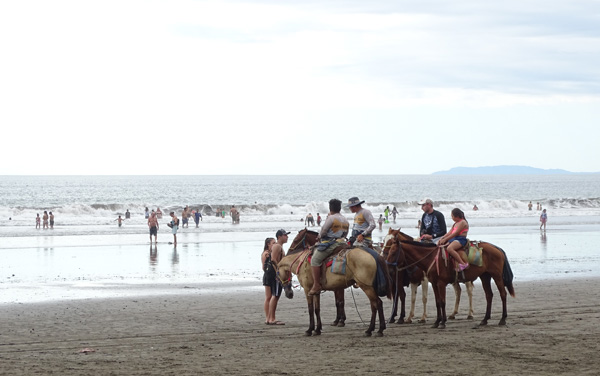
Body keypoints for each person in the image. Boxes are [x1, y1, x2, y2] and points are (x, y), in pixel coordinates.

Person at [308, 199, 349, 295]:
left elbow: (323, 231)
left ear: (330, 208)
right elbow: (345, 234)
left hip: (331, 244)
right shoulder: (345, 219)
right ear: (339, 208)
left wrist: (319, 237)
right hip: (342, 243)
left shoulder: (331, 218)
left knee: (315, 260)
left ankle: (317, 284)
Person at [266, 229, 289, 325]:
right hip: (275, 275)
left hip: (276, 274)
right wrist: (278, 272)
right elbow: (273, 259)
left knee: (275, 296)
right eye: (285, 235)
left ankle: (270, 318)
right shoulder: (277, 246)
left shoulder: (279, 246)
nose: (287, 237)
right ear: (279, 237)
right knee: (275, 296)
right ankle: (271, 319)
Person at [261, 237, 276, 323]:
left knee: (271, 296)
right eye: (273, 243)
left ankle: (270, 317)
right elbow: (263, 266)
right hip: (268, 276)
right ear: (268, 244)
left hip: (272, 276)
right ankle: (267, 317)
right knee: (268, 297)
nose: (274, 245)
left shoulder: (272, 253)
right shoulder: (266, 253)